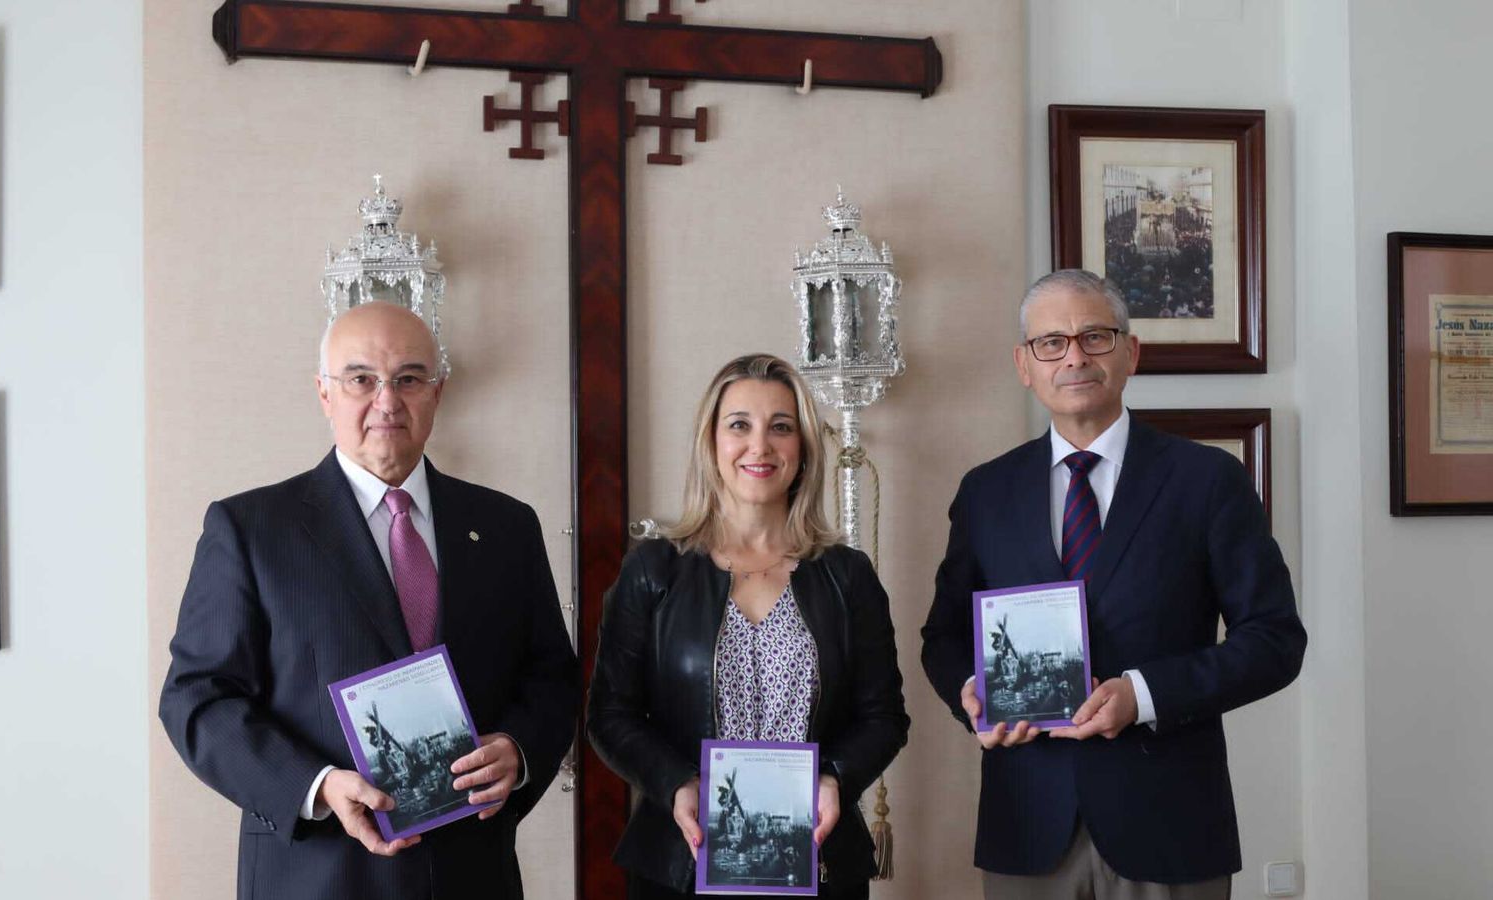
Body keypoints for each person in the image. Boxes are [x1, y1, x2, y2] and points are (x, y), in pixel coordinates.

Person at [158, 300, 578, 899]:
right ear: (324, 394)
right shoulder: (251, 529)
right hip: (318, 873)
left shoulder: (507, 525)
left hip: (470, 873)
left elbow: (552, 678)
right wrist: (318, 785)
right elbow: (196, 699)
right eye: (361, 379)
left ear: (438, 392)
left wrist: (518, 749)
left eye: (409, 378)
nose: (387, 400)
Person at [921, 270, 1306, 900]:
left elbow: (1274, 641)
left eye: (1094, 337)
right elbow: (943, 635)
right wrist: (971, 691)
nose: (1073, 355)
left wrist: (1144, 694)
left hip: (1171, 822)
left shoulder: (1207, 480)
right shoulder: (986, 492)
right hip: (1027, 826)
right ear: (1025, 364)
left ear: (1130, 352)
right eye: (1051, 342)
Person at [587, 353, 909, 900]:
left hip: (819, 857)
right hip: (682, 861)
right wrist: (677, 785)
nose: (760, 446)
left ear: (803, 448)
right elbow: (610, 715)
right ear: (711, 442)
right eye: (740, 425)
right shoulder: (653, 570)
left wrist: (835, 778)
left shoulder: (846, 576)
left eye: (781, 428)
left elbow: (884, 717)